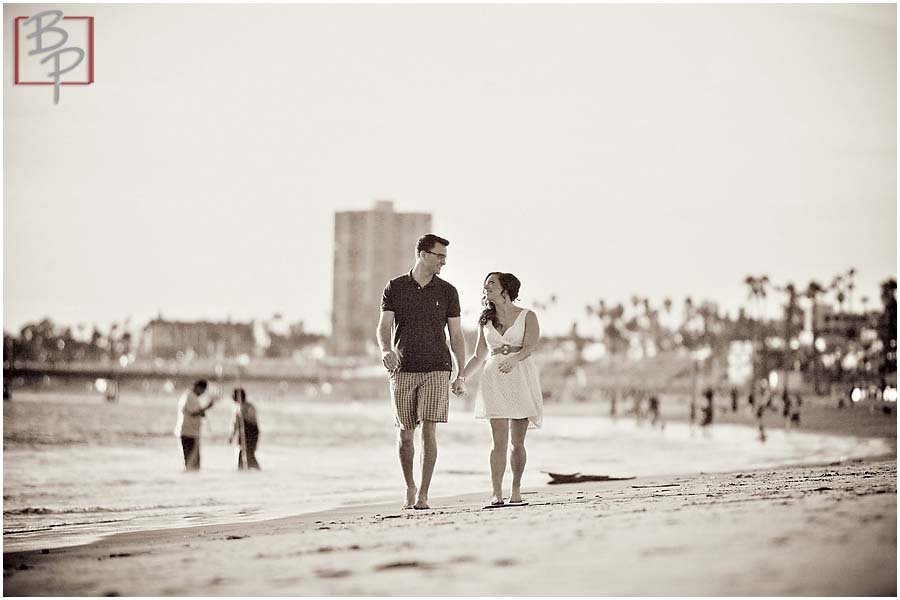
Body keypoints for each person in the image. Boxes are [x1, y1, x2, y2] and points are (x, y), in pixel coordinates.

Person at [376, 234, 467, 510]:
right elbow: (383, 328)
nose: (443, 262)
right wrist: (385, 349)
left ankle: (424, 494)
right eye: (439, 256)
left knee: (429, 430)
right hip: (403, 369)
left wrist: (461, 373)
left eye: (445, 257)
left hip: (438, 368)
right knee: (405, 434)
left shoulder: (448, 291)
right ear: (423, 254)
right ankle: (409, 487)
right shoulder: (395, 287)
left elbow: (457, 336)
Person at [461, 272, 543, 507]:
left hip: (521, 375)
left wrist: (515, 359)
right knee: (498, 442)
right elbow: (478, 355)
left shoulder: (528, 316)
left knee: (517, 442)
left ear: (505, 289)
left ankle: (515, 489)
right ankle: (496, 493)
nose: (486, 287)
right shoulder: (485, 320)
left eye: (491, 284)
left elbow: (529, 346)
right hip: (494, 378)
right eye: (485, 284)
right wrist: (461, 377)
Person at [174, 379, 215, 471]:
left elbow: (196, 412)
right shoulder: (189, 396)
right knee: (190, 460)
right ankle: (189, 478)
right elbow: (193, 413)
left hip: (192, 433)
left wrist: (203, 411)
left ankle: (193, 480)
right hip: (187, 433)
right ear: (198, 387)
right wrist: (207, 407)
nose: (203, 393)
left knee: (195, 460)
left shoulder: (192, 397)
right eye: (203, 390)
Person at [229, 387, 260, 470]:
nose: (232, 397)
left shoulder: (249, 407)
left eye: (234, 395)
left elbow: (252, 420)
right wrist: (232, 436)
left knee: (249, 454)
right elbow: (236, 424)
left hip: (251, 433)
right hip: (243, 434)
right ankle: (242, 472)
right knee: (242, 455)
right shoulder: (238, 408)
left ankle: (257, 471)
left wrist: (242, 416)